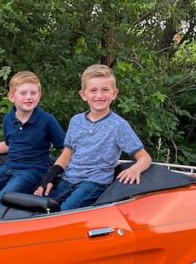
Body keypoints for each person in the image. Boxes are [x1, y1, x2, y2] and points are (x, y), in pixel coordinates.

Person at [35, 64, 152, 211]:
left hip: (94, 183)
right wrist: (50, 178)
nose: (99, 95)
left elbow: (145, 158)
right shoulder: (76, 121)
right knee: (38, 207)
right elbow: (66, 154)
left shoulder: (119, 125)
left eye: (105, 90)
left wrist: (135, 169)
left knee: (63, 213)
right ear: (83, 95)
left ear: (114, 93)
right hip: (68, 179)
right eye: (93, 90)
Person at [0, 71, 65, 212]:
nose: (29, 97)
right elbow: (8, 145)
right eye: (23, 93)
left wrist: (52, 176)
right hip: (8, 167)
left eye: (33, 93)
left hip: (32, 171)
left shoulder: (47, 120)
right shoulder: (8, 119)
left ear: (39, 96)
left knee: (1, 200)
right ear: (12, 97)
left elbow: (65, 150)